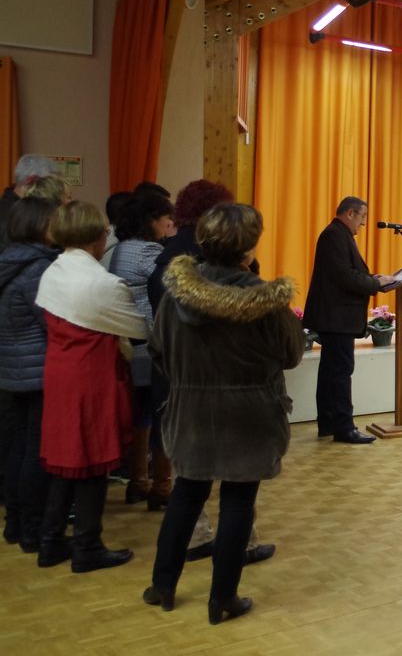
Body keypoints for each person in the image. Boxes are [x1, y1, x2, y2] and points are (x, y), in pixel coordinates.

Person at [144, 203, 304, 622]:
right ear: (249, 249)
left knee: (186, 495)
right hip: (250, 416)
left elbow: (158, 351)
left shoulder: (176, 295)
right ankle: (222, 600)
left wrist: (189, 381)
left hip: (191, 413)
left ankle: (163, 586)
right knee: (238, 501)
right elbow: (291, 356)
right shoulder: (268, 302)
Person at [34, 201, 146, 572]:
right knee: (94, 462)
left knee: (65, 461)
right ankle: (87, 546)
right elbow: (138, 328)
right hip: (92, 377)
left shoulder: (52, 271)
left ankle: (51, 542)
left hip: (60, 373)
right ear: (97, 237)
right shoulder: (103, 284)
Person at [303, 197, 394, 445]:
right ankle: (343, 427)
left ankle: (328, 423)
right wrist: (375, 283)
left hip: (336, 317)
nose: (363, 224)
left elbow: (347, 273)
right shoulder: (334, 235)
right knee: (340, 373)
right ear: (351, 213)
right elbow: (344, 277)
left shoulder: (337, 234)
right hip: (336, 318)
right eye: (362, 217)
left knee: (331, 372)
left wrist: (374, 278)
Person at [110, 189, 177, 508]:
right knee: (162, 413)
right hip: (150, 343)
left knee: (143, 415)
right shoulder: (149, 252)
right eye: (166, 219)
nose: (169, 224)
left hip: (130, 342)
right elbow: (173, 284)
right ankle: (162, 487)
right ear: (151, 220)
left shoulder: (122, 248)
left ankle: (138, 482)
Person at [0, 198, 58, 552]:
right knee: (36, 452)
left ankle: (14, 523)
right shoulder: (37, 268)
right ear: (39, 226)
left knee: (17, 448)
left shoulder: (8, 261)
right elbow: (51, 321)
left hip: (11, 369)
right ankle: (33, 529)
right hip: (37, 370)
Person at [0, 154, 58, 253]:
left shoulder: (14, 207)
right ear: (31, 181)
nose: (53, 190)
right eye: (48, 183)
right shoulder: (10, 216)